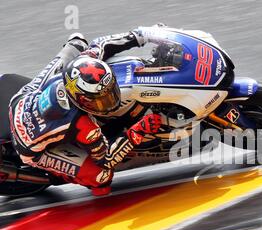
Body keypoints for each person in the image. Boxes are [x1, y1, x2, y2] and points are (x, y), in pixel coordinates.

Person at [9, 29, 163, 196]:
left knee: (77, 43)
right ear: (80, 98)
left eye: (109, 93)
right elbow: (107, 158)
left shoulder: (80, 64)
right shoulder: (83, 124)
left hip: (22, 98)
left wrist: (142, 35)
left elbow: (101, 44)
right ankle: (64, 175)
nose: (108, 102)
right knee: (102, 178)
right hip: (28, 147)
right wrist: (137, 131)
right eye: (98, 100)